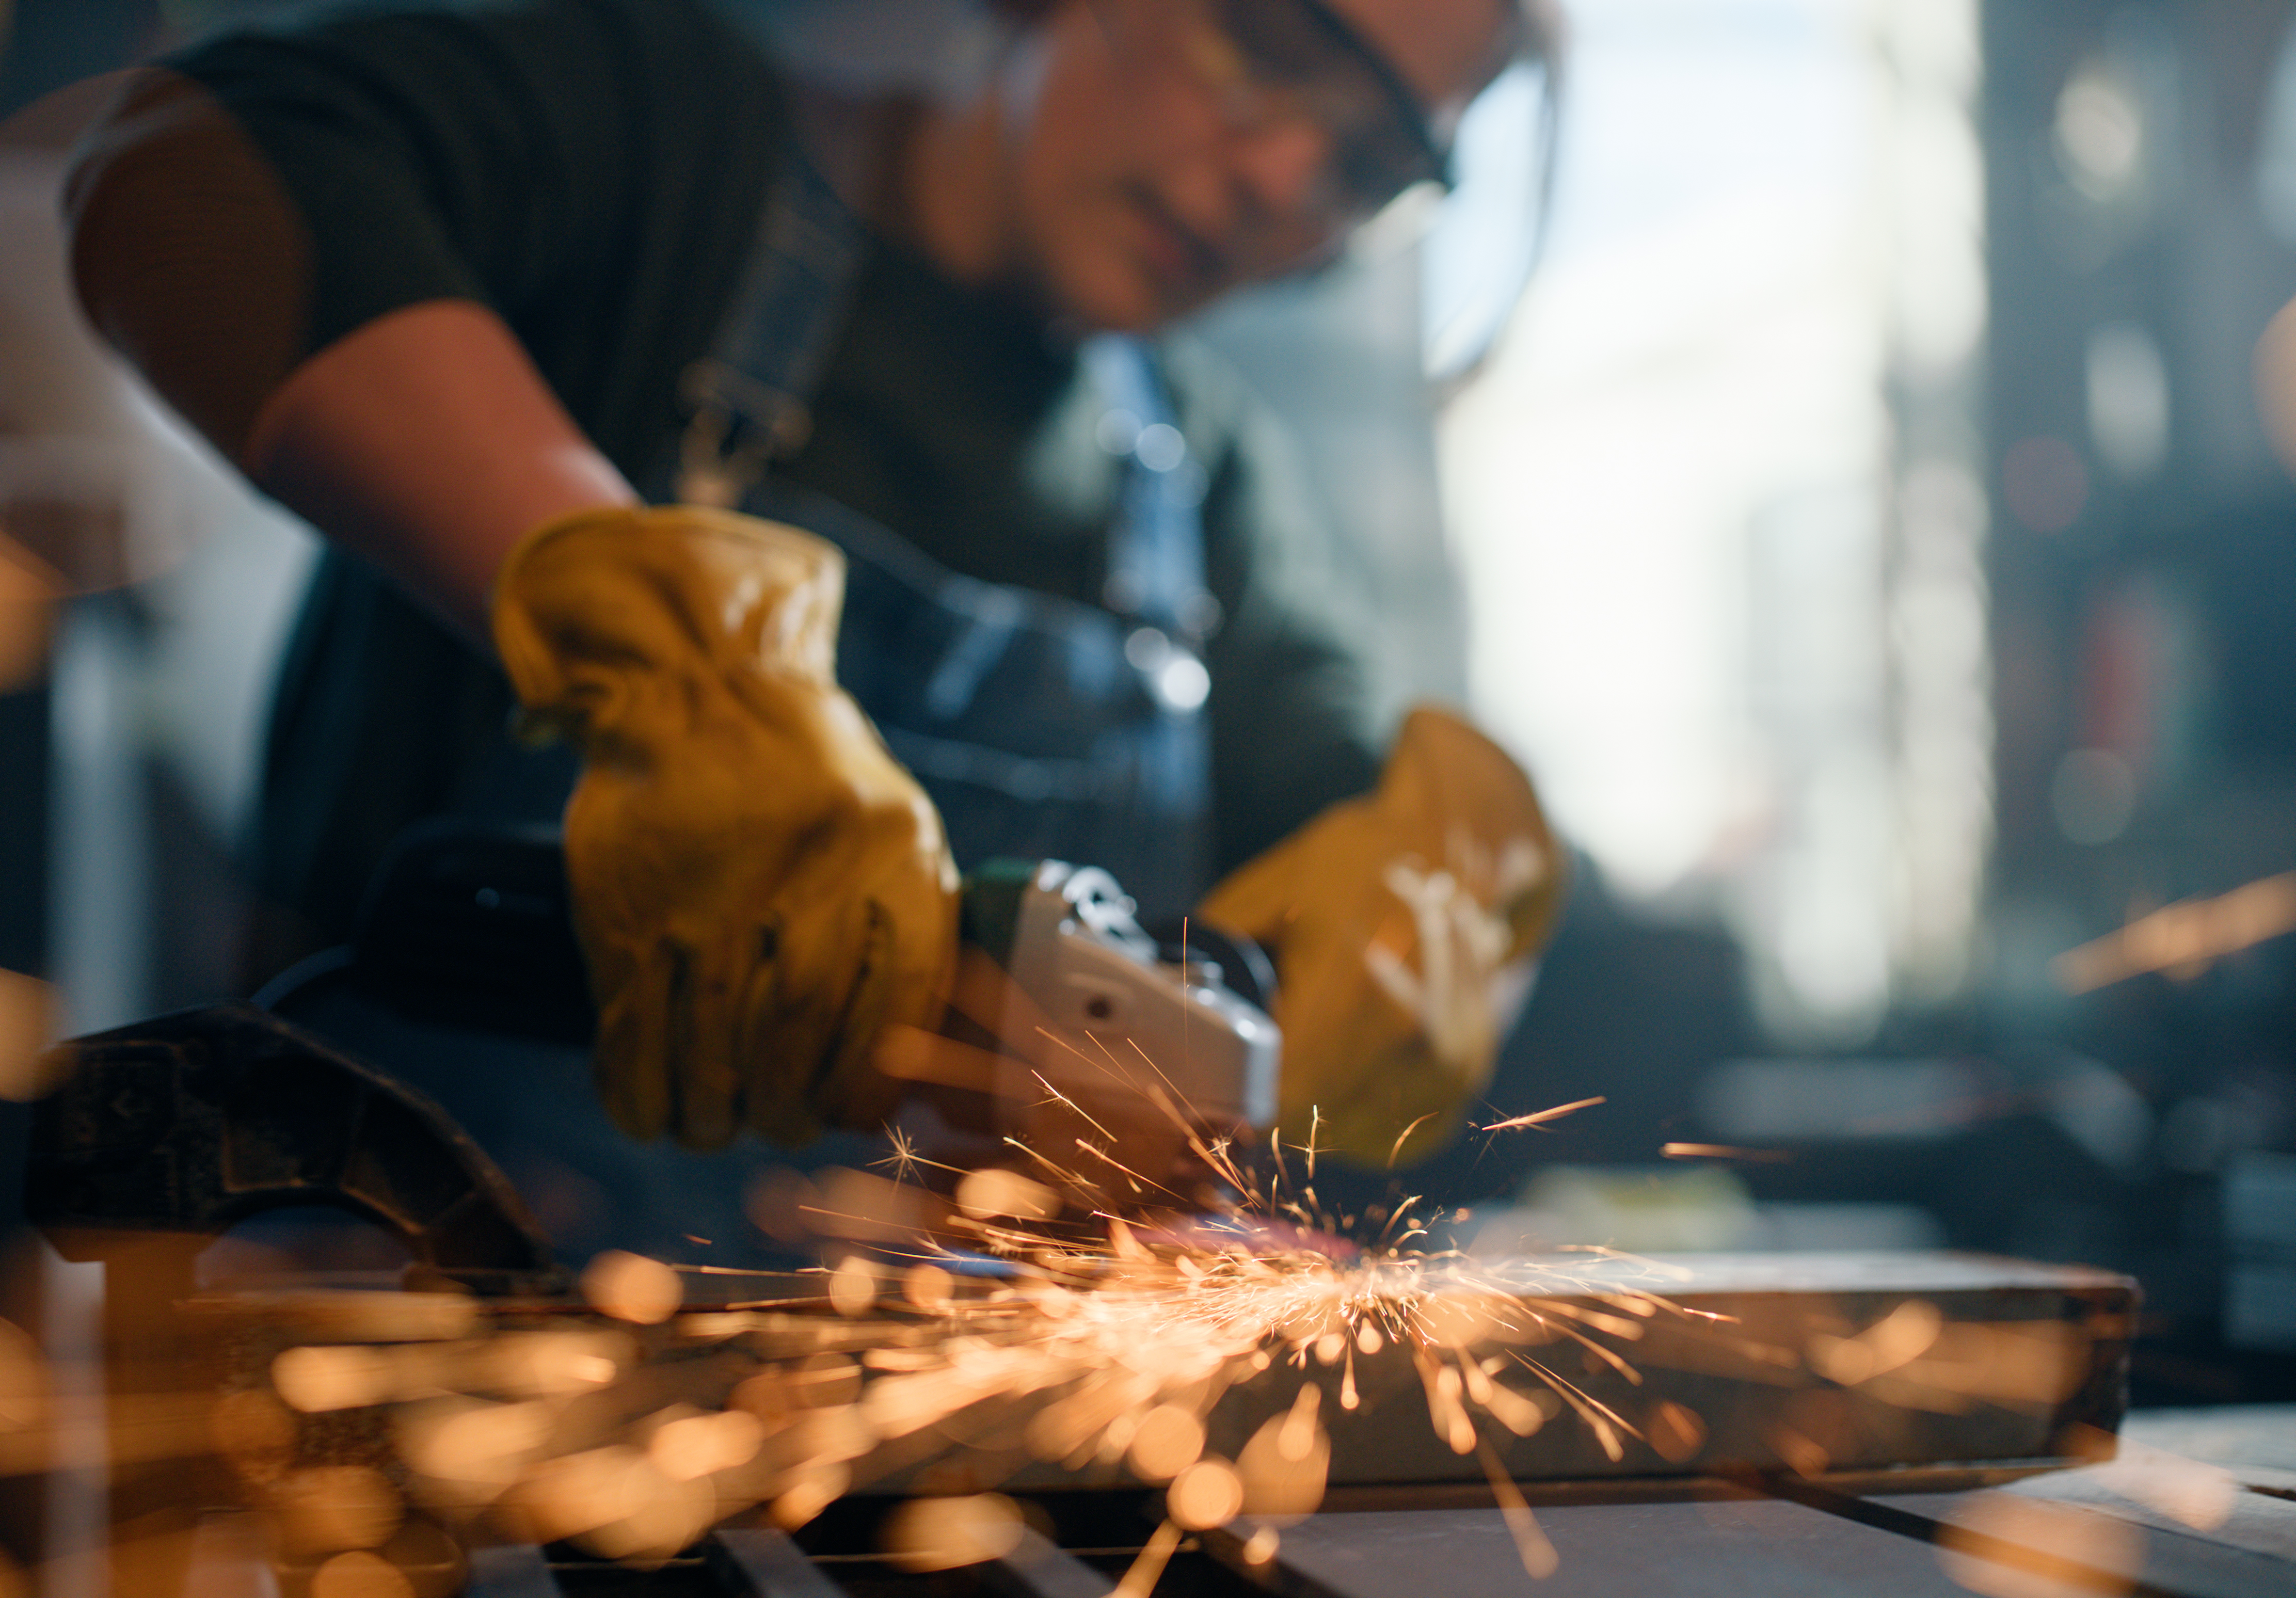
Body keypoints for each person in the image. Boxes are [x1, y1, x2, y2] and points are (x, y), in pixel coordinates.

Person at [65, 0, 1565, 1175]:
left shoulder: (1204, 485)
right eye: (1267, 39)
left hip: (886, 1444)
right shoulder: (668, 144)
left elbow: (1356, 820)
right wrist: (655, 647)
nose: (1283, 177)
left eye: (1370, 165)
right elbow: (181, 169)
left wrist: (1428, 922)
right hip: (393, 1294)